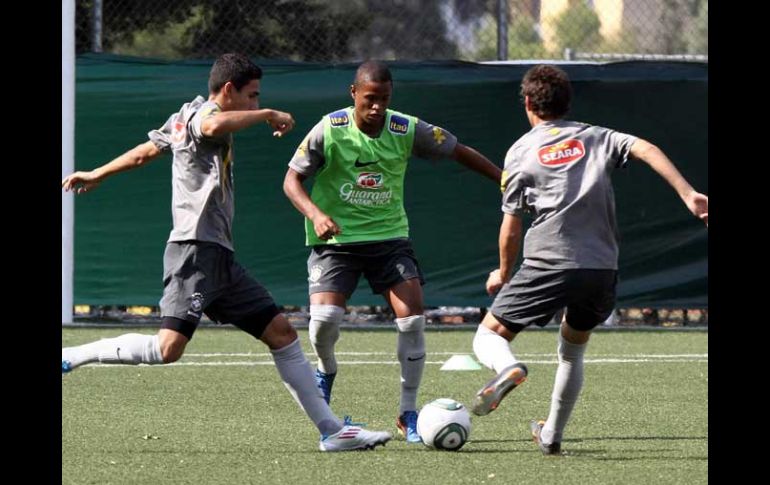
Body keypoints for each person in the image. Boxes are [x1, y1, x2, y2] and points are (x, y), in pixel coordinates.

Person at [61, 53, 392, 452]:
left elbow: (147, 152)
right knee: (168, 349)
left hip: (219, 257)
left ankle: (331, 430)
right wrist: (268, 113)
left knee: (283, 334)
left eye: (259, 99)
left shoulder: (183, 115)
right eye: (252, 96)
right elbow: (213, 123)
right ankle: (73, 354)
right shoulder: (203, 117)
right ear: (229, 90)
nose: (255, 103)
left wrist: (97, 173)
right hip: (195, 252)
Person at [469, 64, 708, 455]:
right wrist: (688, 193)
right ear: (568, 103)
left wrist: (504, 273)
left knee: (489, 335)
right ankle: (551, 434)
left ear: (528, 103)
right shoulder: (597, 137)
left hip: (549, 263)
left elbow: (511, 225)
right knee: (573, 348)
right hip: (600, 269)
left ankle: (507, 368)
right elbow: (645, 147)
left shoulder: (520, 152)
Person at [283, 60, 502, 443]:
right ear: (354, 94)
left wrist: (503, 181)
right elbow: (291, 180)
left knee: (413, 320)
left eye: (384, 99)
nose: (378, 107)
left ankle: (407, 412)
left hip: (389, 239)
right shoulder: (330, 129)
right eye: (370, 99)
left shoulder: (405, 128)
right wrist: (316, 214)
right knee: (324, 322)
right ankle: (326, 368)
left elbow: (457, 150)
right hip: (336, 243)